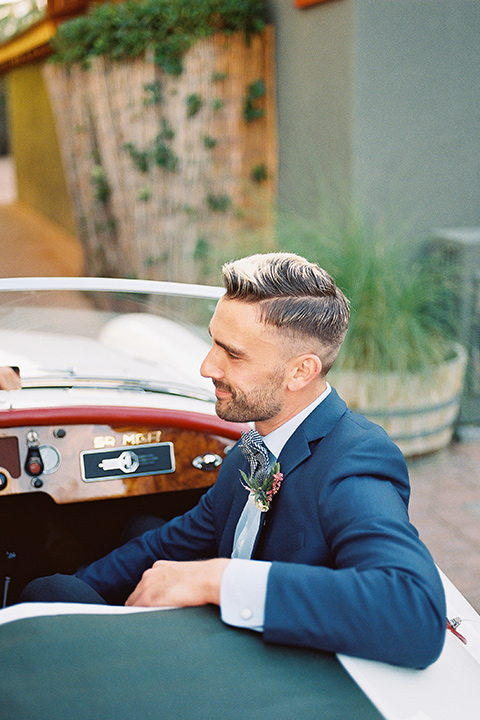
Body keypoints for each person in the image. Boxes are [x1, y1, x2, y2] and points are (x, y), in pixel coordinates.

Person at [20, 253, 446, 668]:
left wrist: (213, 579)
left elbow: (415, 612)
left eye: (233, 354)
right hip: (227, 634)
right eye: (212, 342)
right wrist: (81, 585)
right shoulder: (251, 446)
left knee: (48, 591)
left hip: (270, 669)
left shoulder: (354, 461)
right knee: (105, 555)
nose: (207, 366)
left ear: (301, 371)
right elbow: (175, 539)